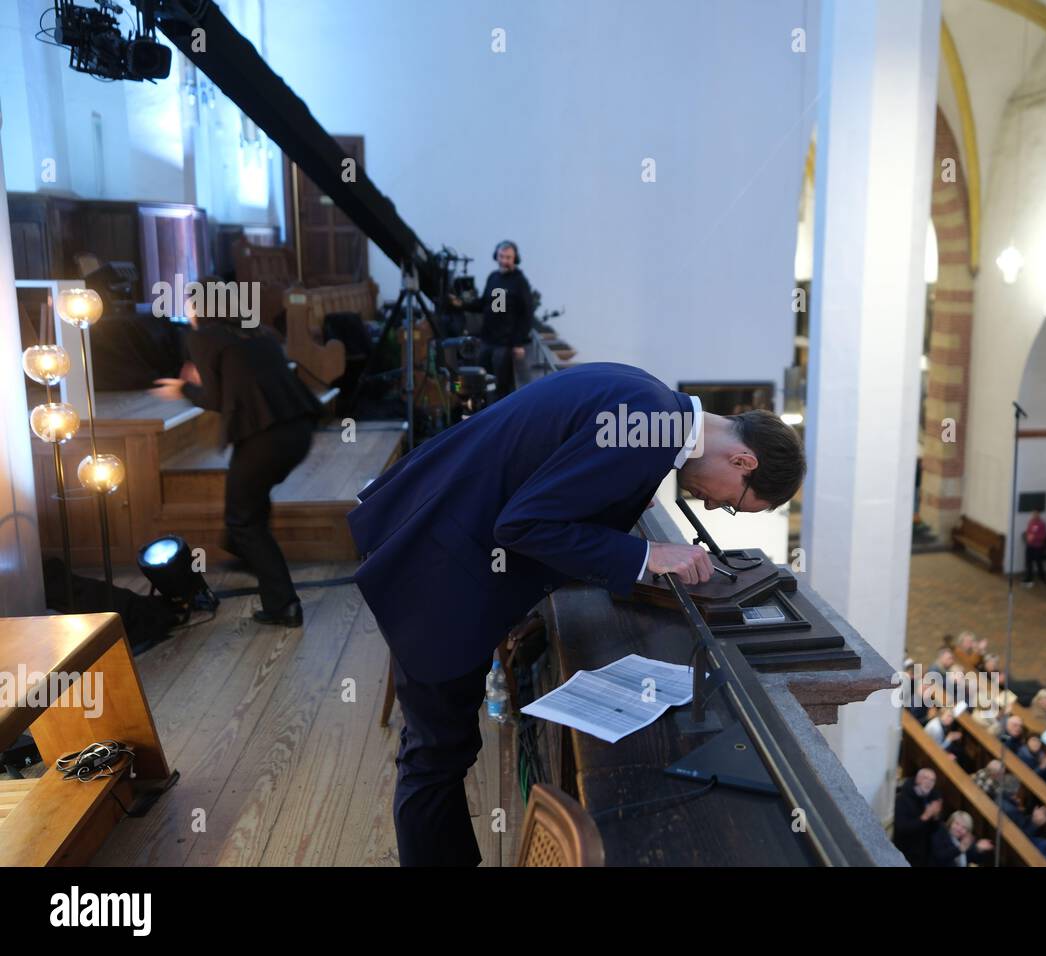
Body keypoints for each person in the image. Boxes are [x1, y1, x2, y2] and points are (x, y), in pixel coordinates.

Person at [347, 362, 805, 865]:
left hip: (433, 530)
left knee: (443, 750)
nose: (715, 507)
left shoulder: (650, 399)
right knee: (434, 756)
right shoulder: (648, 425)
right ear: (743, 461)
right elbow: (524, 524)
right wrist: (646, 556)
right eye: (734, 504)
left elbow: (554, 476)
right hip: (437, 566)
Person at [150, 294, 318, 627]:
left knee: (243, 521)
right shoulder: (259, 332)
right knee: (248, 505)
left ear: (203, 308)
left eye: (190, 304)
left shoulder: (203, 337)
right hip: (298, 431)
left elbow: (214, 399)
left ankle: (284, 604)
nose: (188, 311)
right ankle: (246, 554)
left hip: (264, 438)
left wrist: (182, 388)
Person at [476, 240, 533, 400]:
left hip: (506, 343)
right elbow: (487, 304)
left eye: (508, 258)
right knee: (482, 377)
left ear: (515, 259)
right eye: (501, 256)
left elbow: (527, 314)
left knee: (501, 383)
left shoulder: (519, 281)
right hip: (488, 339)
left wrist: (519, 342)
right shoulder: (494, 278)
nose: (504, 261)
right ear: (496, 256)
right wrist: (460, 304)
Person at [894, 768, 943, 866]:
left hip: (923, 853)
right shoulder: (903, 798)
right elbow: (901, 828)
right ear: (917, 779)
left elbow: (933, 830)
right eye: (926, 778)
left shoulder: (931, 798)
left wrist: (935, 817)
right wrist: (924, 817)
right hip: (904, 851)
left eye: (932, 780)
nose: (929, 782)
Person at [929, 811, 994, 867]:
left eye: (964, 827)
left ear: (967, 831)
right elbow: (940, 857)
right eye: (957, 824)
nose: (959, 829)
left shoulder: (964, 841)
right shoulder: (940, 834)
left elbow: (975, 859)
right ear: (950, 823)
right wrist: (959, 849)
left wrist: (978, 849)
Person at [1023, 510, 1046, 586]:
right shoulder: (1031, 522)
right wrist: (1027, 536)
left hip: (1038, 546)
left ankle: (1042, 578)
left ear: (1039, 515)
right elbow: (1028, 531)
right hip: (1030, 545)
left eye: (1036, 514)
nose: (1034, 515)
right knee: (1028, 562)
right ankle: (1029, 578)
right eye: (1033, 514)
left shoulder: (1042, 524)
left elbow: (1044, 536)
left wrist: (1035, 537)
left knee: (1038, 563)